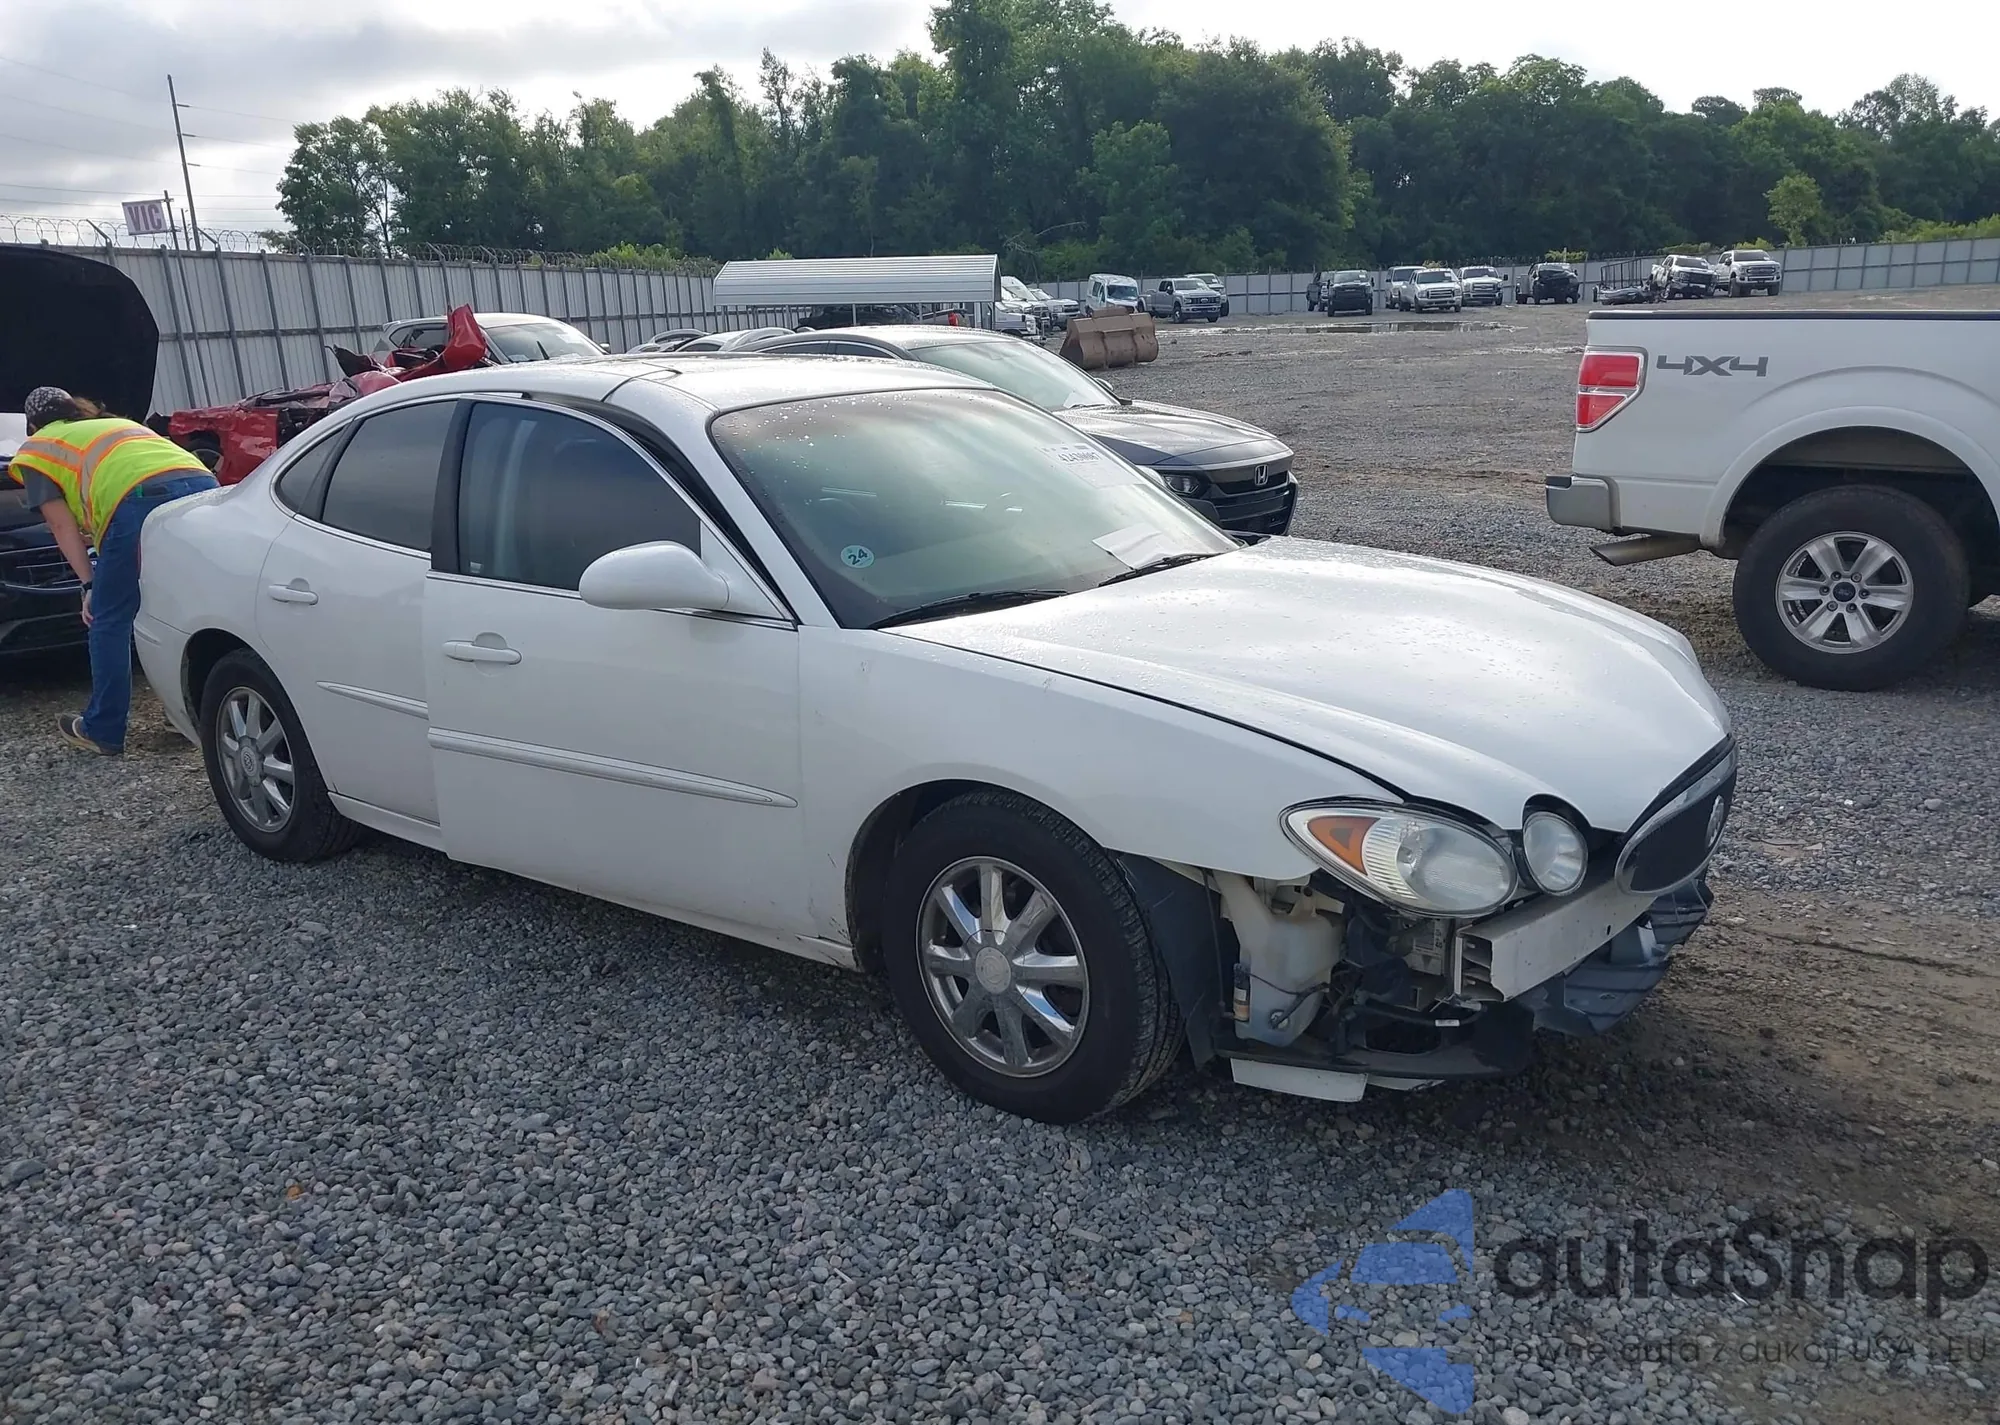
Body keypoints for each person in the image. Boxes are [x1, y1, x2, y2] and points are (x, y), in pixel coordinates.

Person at [4, 386, 217, 755]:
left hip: (140, 498)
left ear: (33, 425)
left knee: (108, 619)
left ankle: (102, 728)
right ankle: (189, 713)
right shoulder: (115, 426)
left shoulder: (39, 448)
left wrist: (89, 584)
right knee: (185, 606)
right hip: (204, 486)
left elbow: (61, 525)